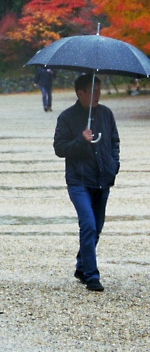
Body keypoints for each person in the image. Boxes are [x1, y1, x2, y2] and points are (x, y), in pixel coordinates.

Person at [53, 73, 120, 292]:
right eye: (93, 91)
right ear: (79, 93)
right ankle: (92, 276)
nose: (97, 95)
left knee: (97, 227)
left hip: (102, 179)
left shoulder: (106, 114)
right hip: (79, 181)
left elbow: (114, 142)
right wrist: (81, 140)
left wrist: (114, 165)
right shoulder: (67, 118)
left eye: (99, 90)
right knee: (88, 224)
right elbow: (60, 149)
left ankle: (82, 266)